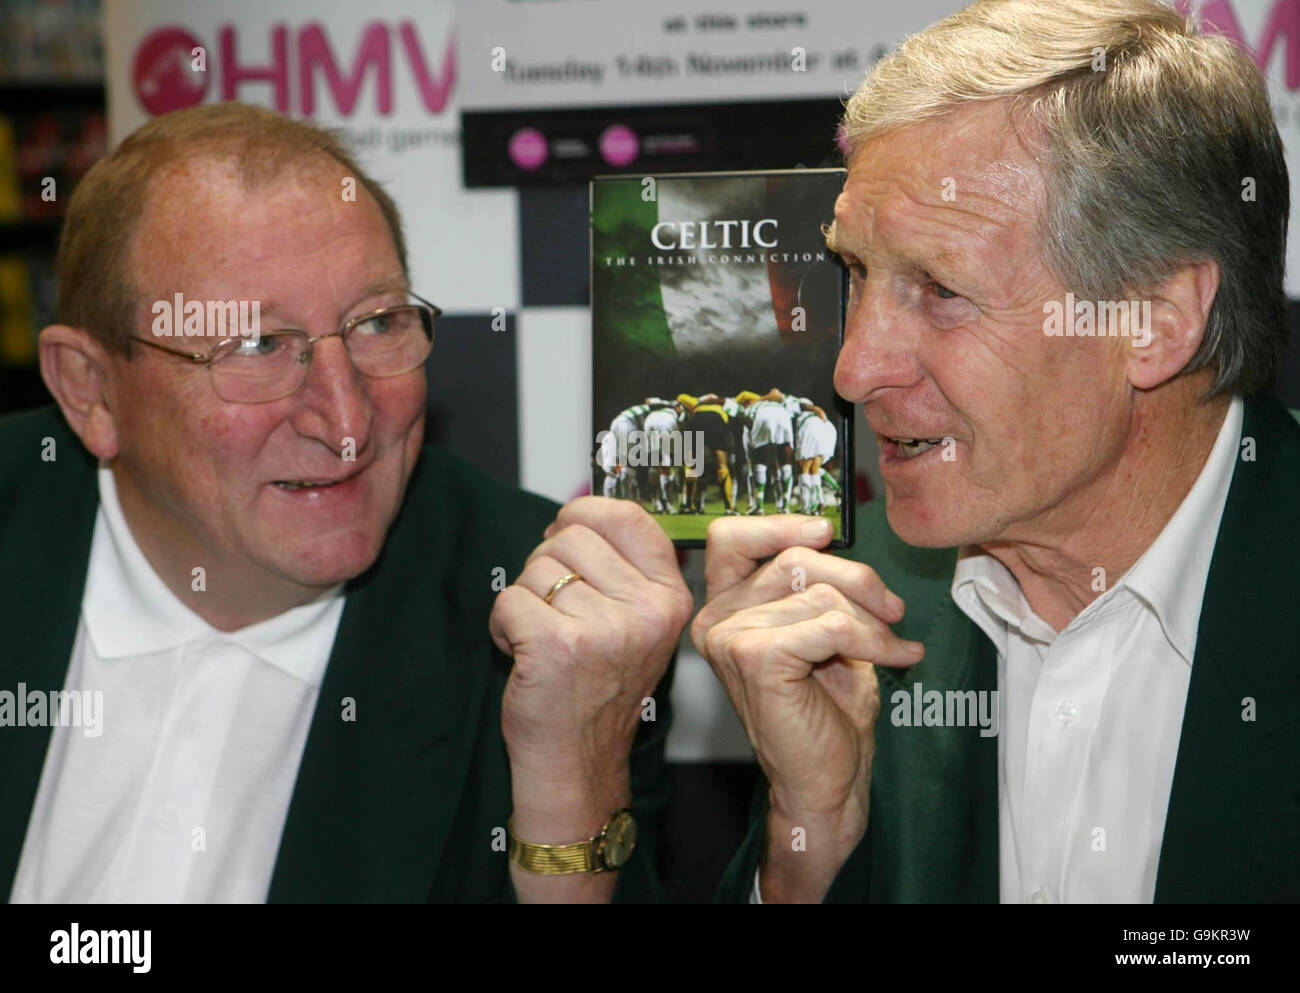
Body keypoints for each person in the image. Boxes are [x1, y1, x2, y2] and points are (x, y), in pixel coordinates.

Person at [0, 103, 692, 903]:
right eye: (256, 347)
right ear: (90, 391)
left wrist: (570, 798)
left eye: (377, 324)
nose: (349, 420)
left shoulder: (545, 618)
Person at [696, 0, 1299, 903]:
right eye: (855, 273)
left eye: (939, 290)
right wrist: (812, 832)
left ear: (1158, 321)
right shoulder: (851, 630)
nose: (853, 369)